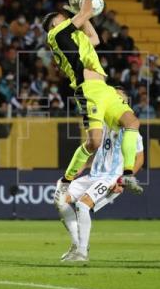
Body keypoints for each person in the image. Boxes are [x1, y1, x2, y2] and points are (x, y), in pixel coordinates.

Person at [42, 0, 141, 194]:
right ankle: (66, 180)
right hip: (88, 90)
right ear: (54, 25)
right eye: (63, 18)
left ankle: (128, 174)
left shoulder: (74, 37)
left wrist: (82, 12)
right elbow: (87, 11)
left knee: (132, 121)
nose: (68, 19)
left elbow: (94, 37)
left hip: (104, 88)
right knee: (94, 143)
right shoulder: (57, 36)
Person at [54, 89, 144, 262]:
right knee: (60, 199)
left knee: (82, 205)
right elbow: (95, 148)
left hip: (112, 177)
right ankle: (76, 244)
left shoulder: (131, 130)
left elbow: (140, 158)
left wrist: (123, 181)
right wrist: (82, 166)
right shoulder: (101, 123)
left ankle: (82, 252)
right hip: (94, 174)